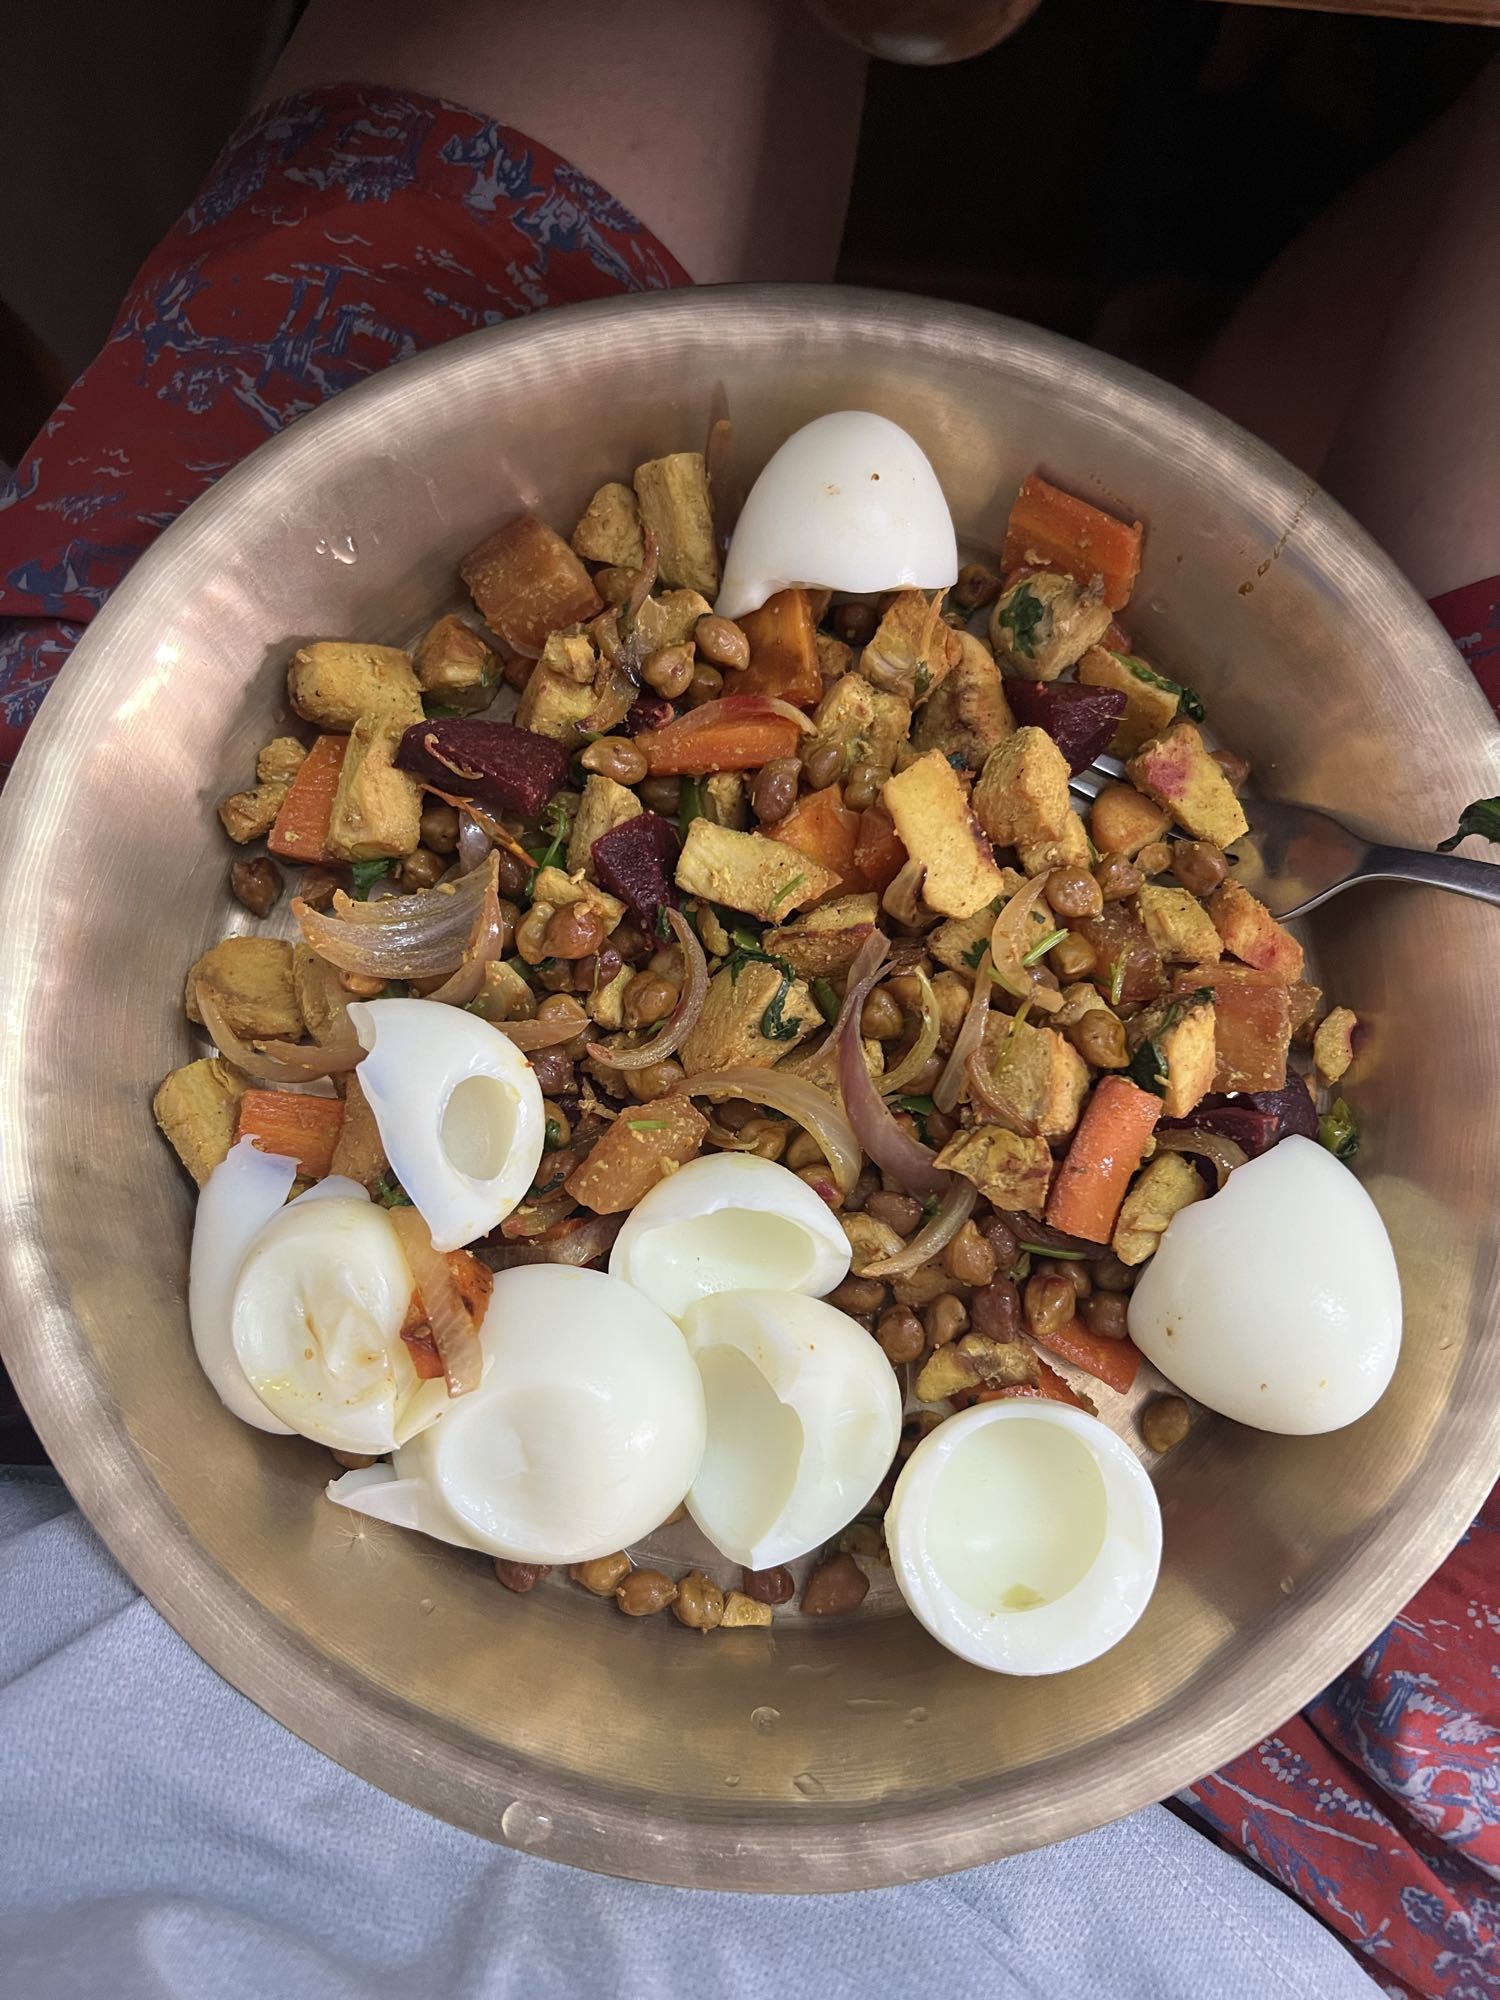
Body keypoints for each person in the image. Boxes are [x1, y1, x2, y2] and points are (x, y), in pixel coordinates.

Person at [0, 8, 1494, 1996]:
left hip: (54, 1585)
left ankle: (1213, 310)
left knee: (474, 176)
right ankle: (1237, 302)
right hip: (1321, 1847)